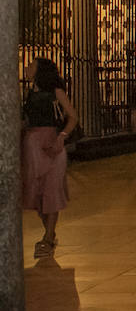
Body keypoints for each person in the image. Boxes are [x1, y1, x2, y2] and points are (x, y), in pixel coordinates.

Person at [21, 58, 77, 258]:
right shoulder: (30, 93)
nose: (27, 68)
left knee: (51, 189)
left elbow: (72, 115)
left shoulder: (55, 90)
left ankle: (48, 236)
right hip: (32, 145)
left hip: (51, 142)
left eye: (31, 65)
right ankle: (50, 234)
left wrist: (62, 137)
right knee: (36, 195)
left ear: (39, 70)